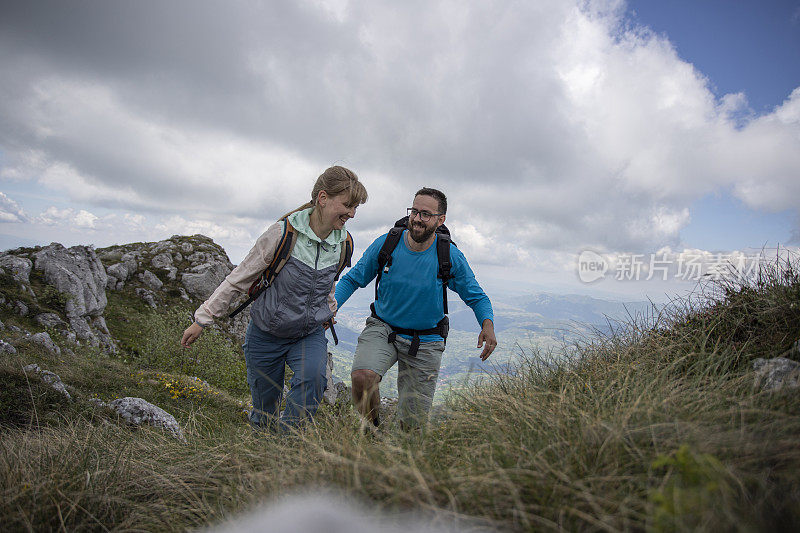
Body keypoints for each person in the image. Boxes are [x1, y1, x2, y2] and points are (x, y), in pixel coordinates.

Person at [180, 166, 368, 428]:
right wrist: (202, 319)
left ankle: (288, 446)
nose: (352, 213)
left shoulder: (344, 243)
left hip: (307, 333)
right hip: (266, 333)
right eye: (347, 205)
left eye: (355, 207)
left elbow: (328, 284)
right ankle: (262, 449)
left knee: (313, 380)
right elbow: (239, 279)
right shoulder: (282, 234)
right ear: (323, 198)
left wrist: (329, 310)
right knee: (264, 411)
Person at [335, 187, 496, 429]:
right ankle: (372, 433)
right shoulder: (387, 243)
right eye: (414, 211)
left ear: (440, 220)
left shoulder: (448, 255)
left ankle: (400, 450)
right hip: (383, 327)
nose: (418, 219)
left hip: (427, 339)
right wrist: (331, 306)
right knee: (362, 377)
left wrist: (487, 324)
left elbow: (476, 296)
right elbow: (352, 279)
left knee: (411, 427)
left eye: (426, 214)